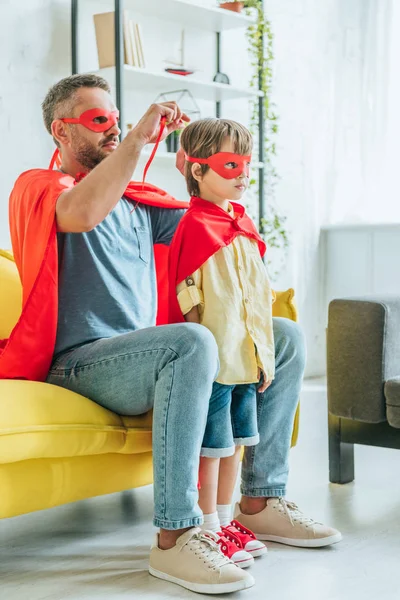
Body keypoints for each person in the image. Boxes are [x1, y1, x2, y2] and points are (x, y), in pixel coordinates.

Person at [5, 73, 341, 595]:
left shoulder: (142, 202)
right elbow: (82, 212)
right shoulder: (41, 188)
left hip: (148, 356)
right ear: (62, 132)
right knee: (190, 341)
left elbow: (209, 229)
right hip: (79, 363)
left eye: (116, 119)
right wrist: (141, 136)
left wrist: (198, 168)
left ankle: (260, 501)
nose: (113, 129)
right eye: (99, 120)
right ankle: (176, 535)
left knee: (285, 336)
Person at [168, 118, 275, 567]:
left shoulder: (242, 224)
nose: (242, 175)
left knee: (237, 443)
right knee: (211, 448)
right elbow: (186, 292)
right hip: (215, 362)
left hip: (244, 360)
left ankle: (228, 520)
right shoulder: (194, 225)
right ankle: (208, 524)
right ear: (197, 170)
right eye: (230, 164)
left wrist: (262, 356)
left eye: (246, 165)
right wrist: (205, 353)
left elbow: (257, 297)